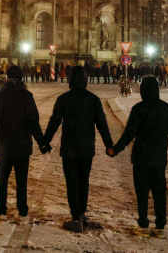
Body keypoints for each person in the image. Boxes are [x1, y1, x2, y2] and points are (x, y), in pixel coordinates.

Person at [41, 66, 114, 232]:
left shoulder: (64, 99)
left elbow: (54, 122)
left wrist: (45, 141)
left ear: (71, 80)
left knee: (72, 182)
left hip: (69, 147)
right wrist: (109, 145)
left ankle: (75, 216)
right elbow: (102, 124)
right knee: (84, 181)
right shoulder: (93, 99)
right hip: (87, 147)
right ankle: (81, 213)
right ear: (85, 80)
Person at [109, 76, 168, 231]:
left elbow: (129, 133)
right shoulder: (166, 108)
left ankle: (143, 218)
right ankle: (161, 220)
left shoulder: (138, 109)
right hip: (159, 156)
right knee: (159, 189)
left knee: (141, 189)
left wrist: (115, 149)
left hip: (140, 156)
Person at [0, 65, 48, 218]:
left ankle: (2, 207)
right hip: (22, 146)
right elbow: (33, 122)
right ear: (21, 79)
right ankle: (22, 208)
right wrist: (42, 142)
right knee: (21, 180)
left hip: (4, 145)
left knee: (2, 179)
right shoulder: (27, 96)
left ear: (8, 78)